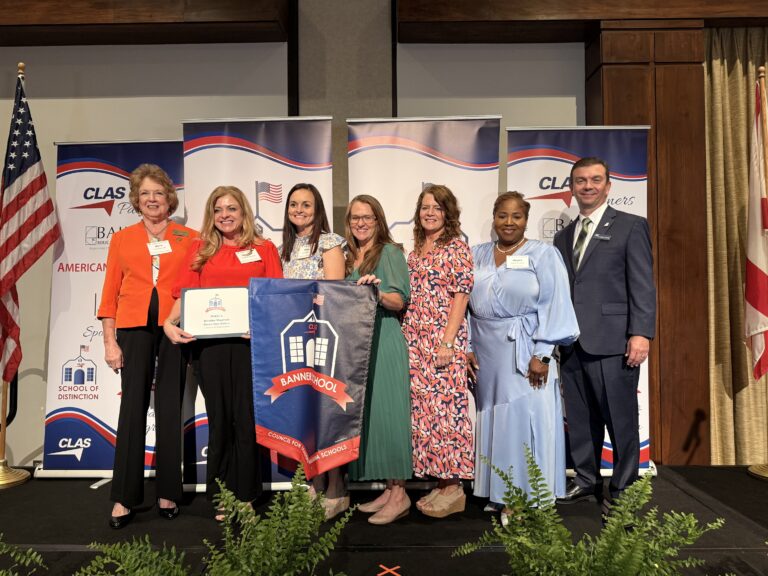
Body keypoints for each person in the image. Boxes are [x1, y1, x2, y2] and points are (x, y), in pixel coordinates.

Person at [163, 186, 282, 518]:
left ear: (244, 211)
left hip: (250, 345)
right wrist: (168, 324)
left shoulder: (263, 248)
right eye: (219, 210)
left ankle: (245, 494)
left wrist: (260, 326)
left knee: (245, 419)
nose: (225, 215)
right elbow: (183, 294)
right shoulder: (200, 248)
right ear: (211, 215)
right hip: (209, 348)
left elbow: (274, 297)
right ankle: (220, 495)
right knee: (219, 421)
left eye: (232, 208)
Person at [468, 192, 579, 523]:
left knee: (524, 422)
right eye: (502, 215)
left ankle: (524, 497)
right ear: (493, 217)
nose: (509, 222)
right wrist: (466, 345)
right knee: (497, 423)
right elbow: (463, 303)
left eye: (516, 216)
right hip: (486, 354)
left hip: (527, 351)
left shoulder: (543, 254)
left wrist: (542, 353)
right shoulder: (477, 254)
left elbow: (555, 303)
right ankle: (498, 491)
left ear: (526, 220)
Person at [98, 164, 198, 529]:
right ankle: (124, 496)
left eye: (158, 192)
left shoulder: (190, 237)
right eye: (145, 194)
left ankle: (169, 490)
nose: (152, 199)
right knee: (133, 408)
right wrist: (110, 341)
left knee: (171, 405)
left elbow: (194, 286)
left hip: (174, 327)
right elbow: (109, 293)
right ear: (136, 200)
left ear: (169, 198)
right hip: (133, 328)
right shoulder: (122, 239)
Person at [553, 157, 656, 510]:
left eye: (595, 180)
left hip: (615, 341)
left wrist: (641, 333)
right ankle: (586, 479)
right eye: (580, 180)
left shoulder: (630, 226)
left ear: (608, 186)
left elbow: (642, 285)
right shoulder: (562, 236)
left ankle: (624, 486)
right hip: (571, 342)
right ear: (572, 187)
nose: (587, 186)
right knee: (581, 419)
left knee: (620, 417)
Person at [402, 184, 474, 518]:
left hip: (442, 342)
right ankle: (438, 481)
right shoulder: (416, 250)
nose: (430, 213)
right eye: (425, 207)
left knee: (448, 415)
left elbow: (461, 296)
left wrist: (447, 342)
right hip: (415, 343)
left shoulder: (456, 246)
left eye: (437, 208)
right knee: (426, 417)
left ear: (448, 212)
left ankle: (454, 487)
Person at [279, 183, 348, 518]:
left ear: (317, 208)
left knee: (328, 416)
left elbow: (335, 293)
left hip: (325, 339)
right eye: (294, 204)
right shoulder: (285, 249)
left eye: (306, 204)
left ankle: (337, 486)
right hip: (296, 345)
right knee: (306, 415)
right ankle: (314, 481)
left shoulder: (330, 243)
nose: (299, 210)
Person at [344, 195, 412, 525]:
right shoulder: (346, 256)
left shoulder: (390, 252)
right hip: (356, 346)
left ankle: (400, 494)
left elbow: (399, 301)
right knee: (371, 419)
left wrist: (379, 292)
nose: (361, 223)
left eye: (367, 217)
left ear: (378, 220)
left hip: (384, 339)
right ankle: (387, 489)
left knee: (391, 418)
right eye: (355, 217)